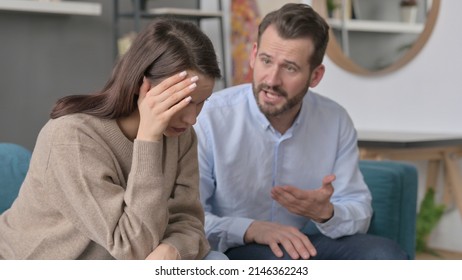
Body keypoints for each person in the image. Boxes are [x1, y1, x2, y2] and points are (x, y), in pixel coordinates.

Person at [0, 18, 228, 260]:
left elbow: (189, 220)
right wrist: (148, 140)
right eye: (184, 102)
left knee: (218, 262)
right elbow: (132, 246)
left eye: (202, 102)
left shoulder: (181, 135)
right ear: (145, 87)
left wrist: (174, 249)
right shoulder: (72, 139)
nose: (193, 119)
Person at [194, 3, 408, 260]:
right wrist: (252, 228)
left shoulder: (335, 121)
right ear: (253, 56)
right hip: (236, 245)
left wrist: (326, 212)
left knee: (385, 255)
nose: (272, 80)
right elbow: (189, 220)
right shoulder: (210, 117)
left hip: (303, 242)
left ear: (315, 76)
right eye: (266, 61)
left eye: (290, 68)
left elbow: (359, 209)